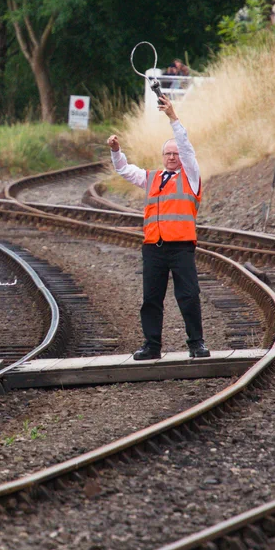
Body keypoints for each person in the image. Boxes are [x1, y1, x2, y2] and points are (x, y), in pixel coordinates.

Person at [107, 92, 208, 360]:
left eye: (175, 153)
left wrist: (172, 117)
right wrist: (116, 152)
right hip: (154, 248)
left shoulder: (191, 177)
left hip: (182, 248)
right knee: (151, 300)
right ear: (162, 156)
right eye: (168, 153)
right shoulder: (151, 177)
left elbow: (187, 148)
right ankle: (152, 346)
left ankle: (196, 344)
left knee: (188, 296)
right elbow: (125, 170)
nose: (173, 157)